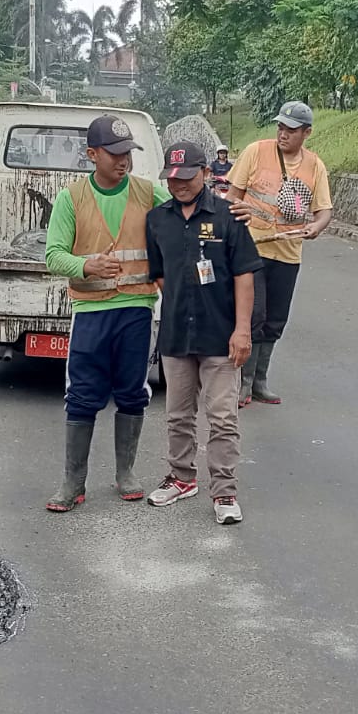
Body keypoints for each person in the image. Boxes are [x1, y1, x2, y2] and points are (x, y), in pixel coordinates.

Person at [42, 115, 170, 512]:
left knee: (132, 392)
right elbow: (53, 255)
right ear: (92, 154)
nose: (123, 161)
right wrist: (86, 266)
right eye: (114, 154)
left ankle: (125, 473)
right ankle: (73, 483)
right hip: (91, 312)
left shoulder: (150, 194)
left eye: (128, 153)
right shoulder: (71, 198)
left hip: (136, 309)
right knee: (82, 394)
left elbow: (189, 215)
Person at [144, 141, 260, 525]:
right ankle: (181, 478)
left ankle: (224, 491)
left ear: (206, 174)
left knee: (223, 417)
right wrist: (181, 300)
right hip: (177, 336)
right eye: (172, 179)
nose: (179, 185)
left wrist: (242, 330)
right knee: (178, 415)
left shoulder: (230, 217)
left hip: (221, 337)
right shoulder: (158, 219)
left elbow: (245, 275)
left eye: (187, 177)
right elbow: (158, 274)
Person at [225, 101, 334, 406]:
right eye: (280, 128)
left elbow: (324, 210)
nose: (283, 134)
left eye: (291, 130)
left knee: (275, 320)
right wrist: (237, 215)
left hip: (287, 253)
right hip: (251, 249)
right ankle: (243, 383)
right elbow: (231, 195)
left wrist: (317, 227)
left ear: (306, 132)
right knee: (254, 315)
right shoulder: (256, 151)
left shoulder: (315, 165)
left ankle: (260, 381)